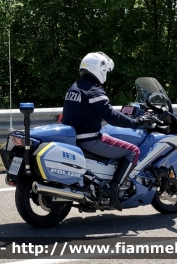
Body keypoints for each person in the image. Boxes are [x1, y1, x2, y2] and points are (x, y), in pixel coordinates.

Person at [62, 51, 148, 211]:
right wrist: (135, 123)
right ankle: (114, 188)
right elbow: (111, 116)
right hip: (90, 139)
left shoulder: (74, 87)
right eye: (106, 71)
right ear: (99, 69)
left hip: (74, 137)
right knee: (134, 151)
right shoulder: (94, 90)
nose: (106, 74)